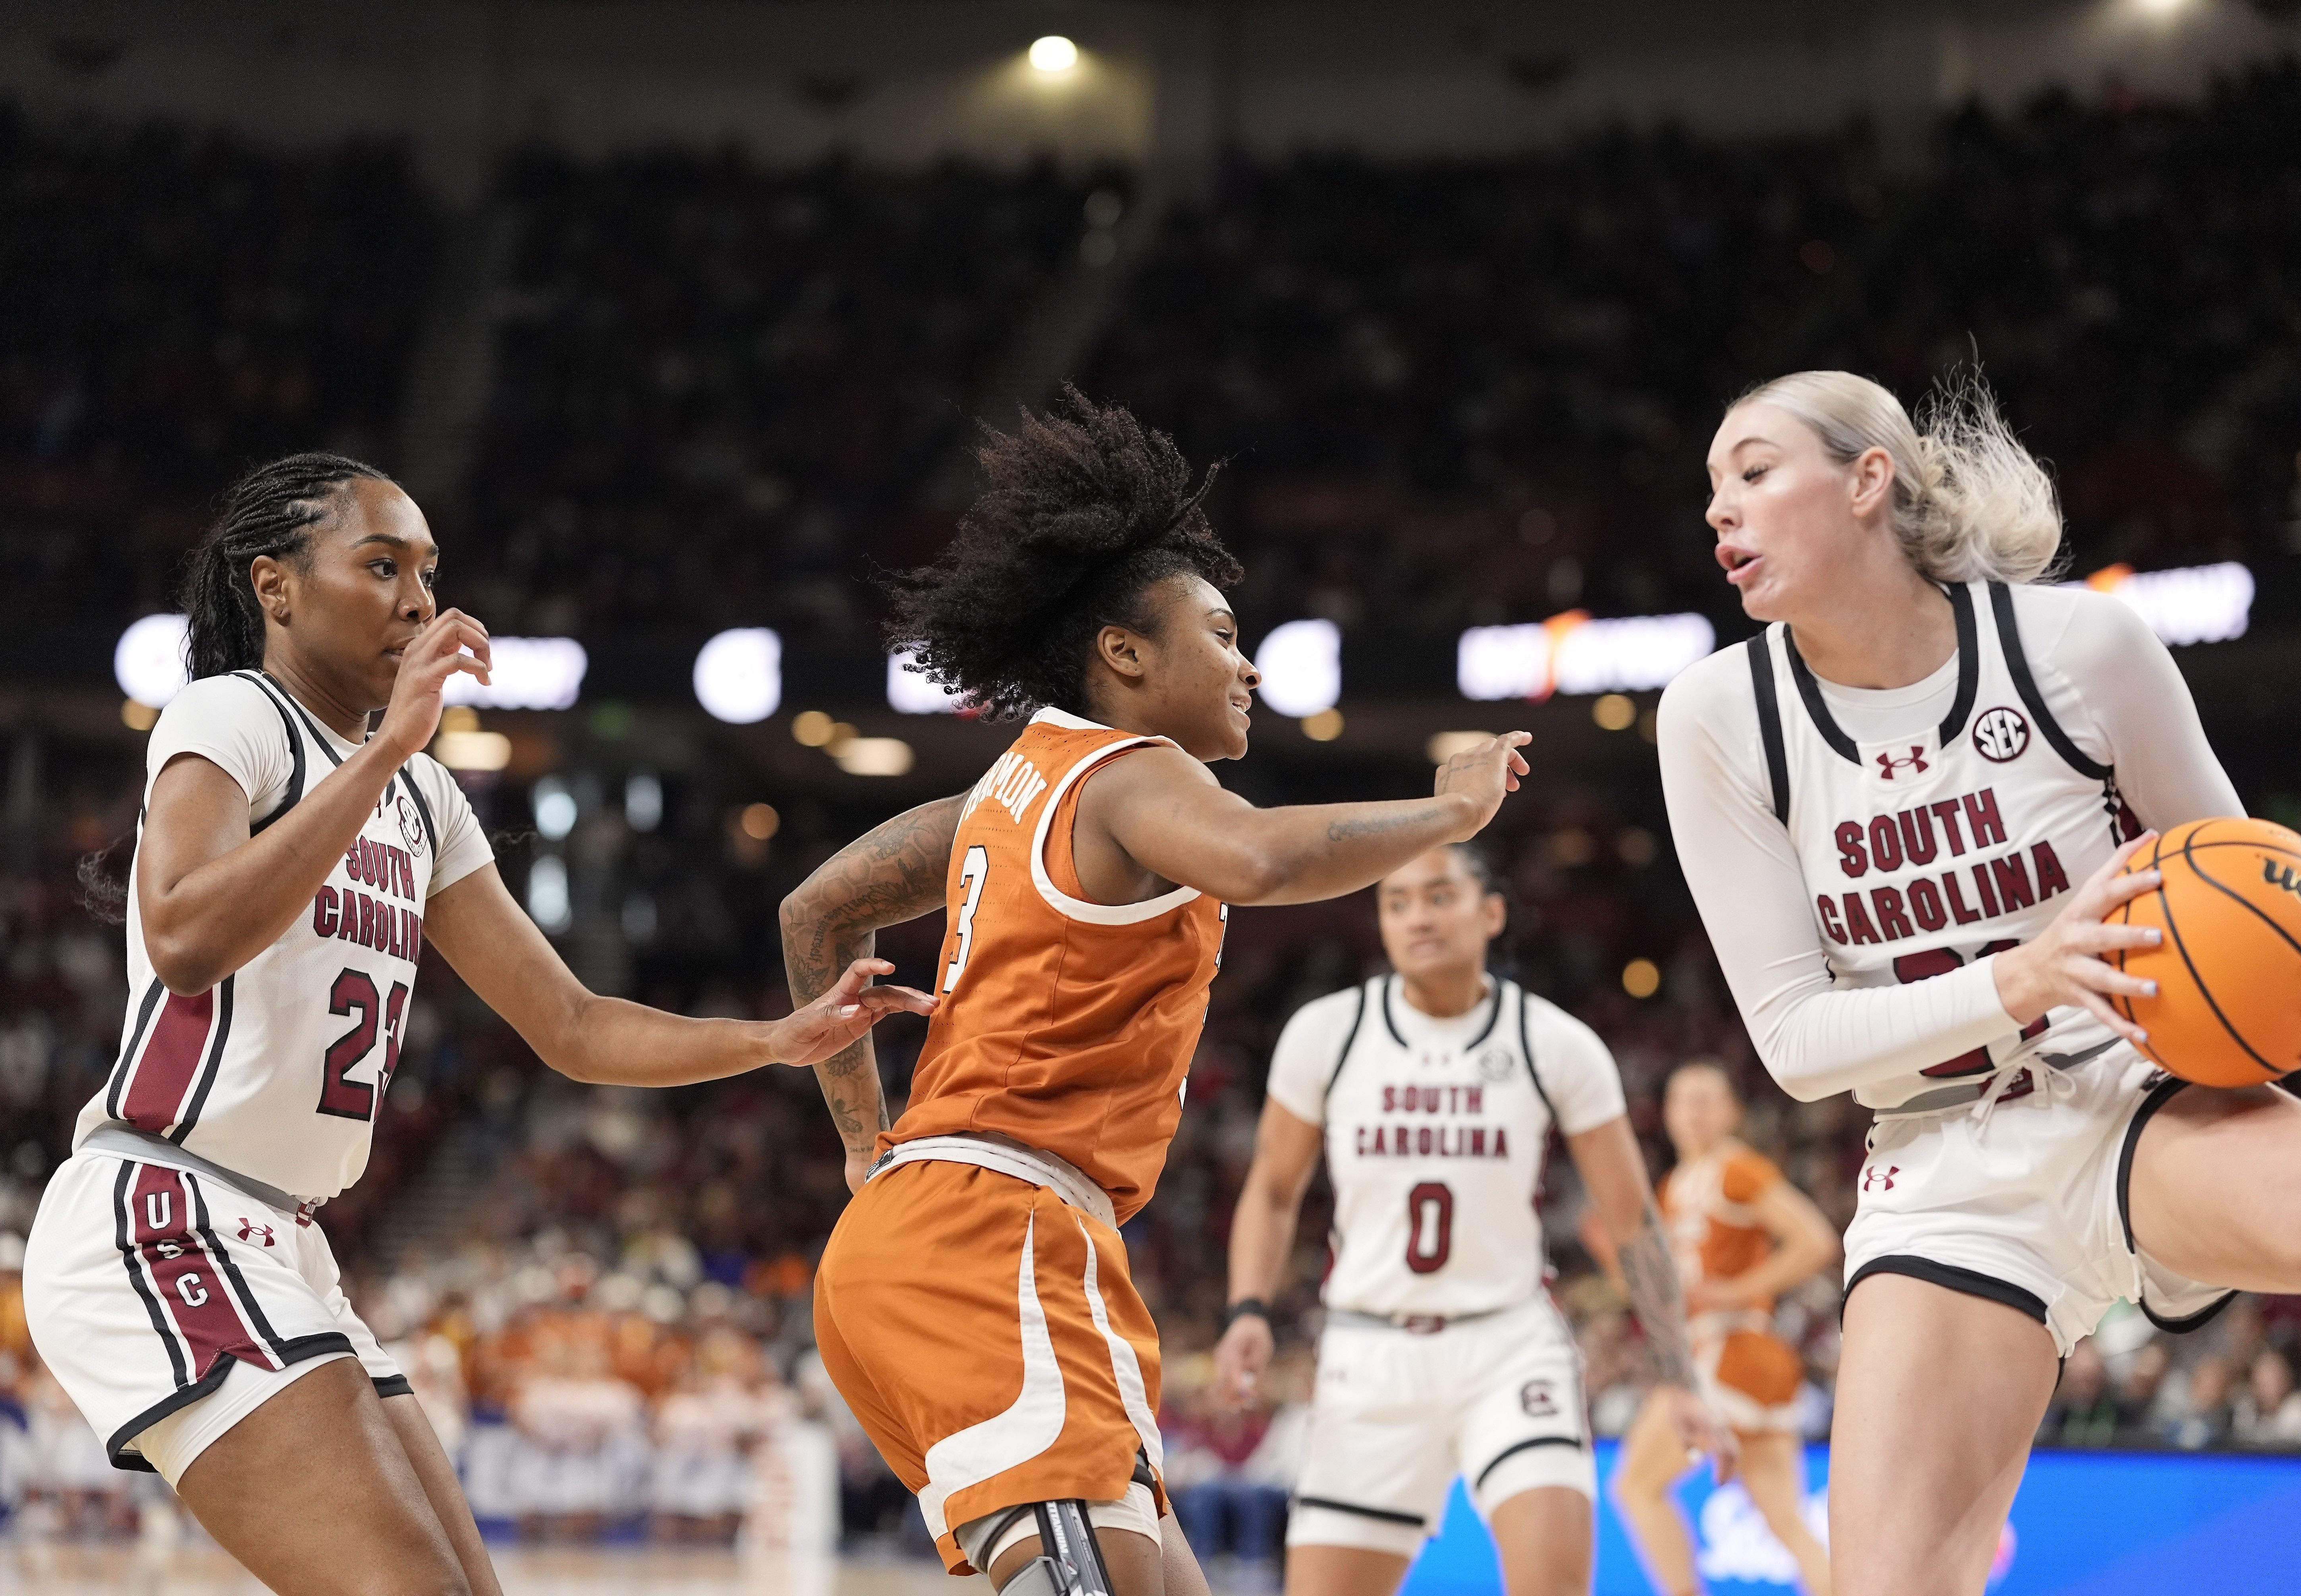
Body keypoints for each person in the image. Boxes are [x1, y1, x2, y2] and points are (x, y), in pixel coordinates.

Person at [23, 454, 931, 1596]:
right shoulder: (233, 714)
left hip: (287, 1241)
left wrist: (772, 1038)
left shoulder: (420, 800)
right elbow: (184, 938)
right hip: (159, 1211)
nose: (418, 599)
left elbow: (573, 1023)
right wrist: (391, 747)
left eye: (429, 572)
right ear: (277, 588)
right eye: (381, 564)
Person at [782, 390, 1536, 1596]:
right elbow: (1262, 859)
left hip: (946, 1232)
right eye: (1223, 633)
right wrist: (1451, 812)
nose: (1249, 663)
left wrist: (872, 1152)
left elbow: (813, 912)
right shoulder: (1133, 772)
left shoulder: (1003, 794)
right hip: (999, 1237)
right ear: (1124, 653)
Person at [1656, 370, 2301, 1595]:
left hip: (2140, 1101)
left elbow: (2249, 914)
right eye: (1714, 487)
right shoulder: (1721, 714)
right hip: (1944, 1175)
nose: (1721, 510)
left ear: (1868, 479)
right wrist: (2025, 975)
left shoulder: (2080, 645)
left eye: (1757, 471)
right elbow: (1795, 1040)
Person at [1213, 844, 1734, 1596]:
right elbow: (1271, 1190)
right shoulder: (1328, 1033)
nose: (1417, 917)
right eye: (1397, 902)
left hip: (1509, 1344)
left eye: (1438, 896)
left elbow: (1634, 1221)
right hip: (1371, 1347)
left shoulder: (1554, 1042)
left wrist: (1677, 1374)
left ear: (1491, 914)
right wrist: (1249, 1309)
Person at [1612, 1062, 1837, 1596]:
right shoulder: (1676, 1183)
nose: (1693, 1113)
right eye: (1682, 1100)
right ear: (1665, 1114)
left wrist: (1734, 1291)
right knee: (1787, 1523)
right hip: (1749, 1357)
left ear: (1733, 1111)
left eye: (1706, 1100)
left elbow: (1815, 1241)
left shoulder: (1739, 1169)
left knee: (1637, 1489)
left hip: (1727, 1351)